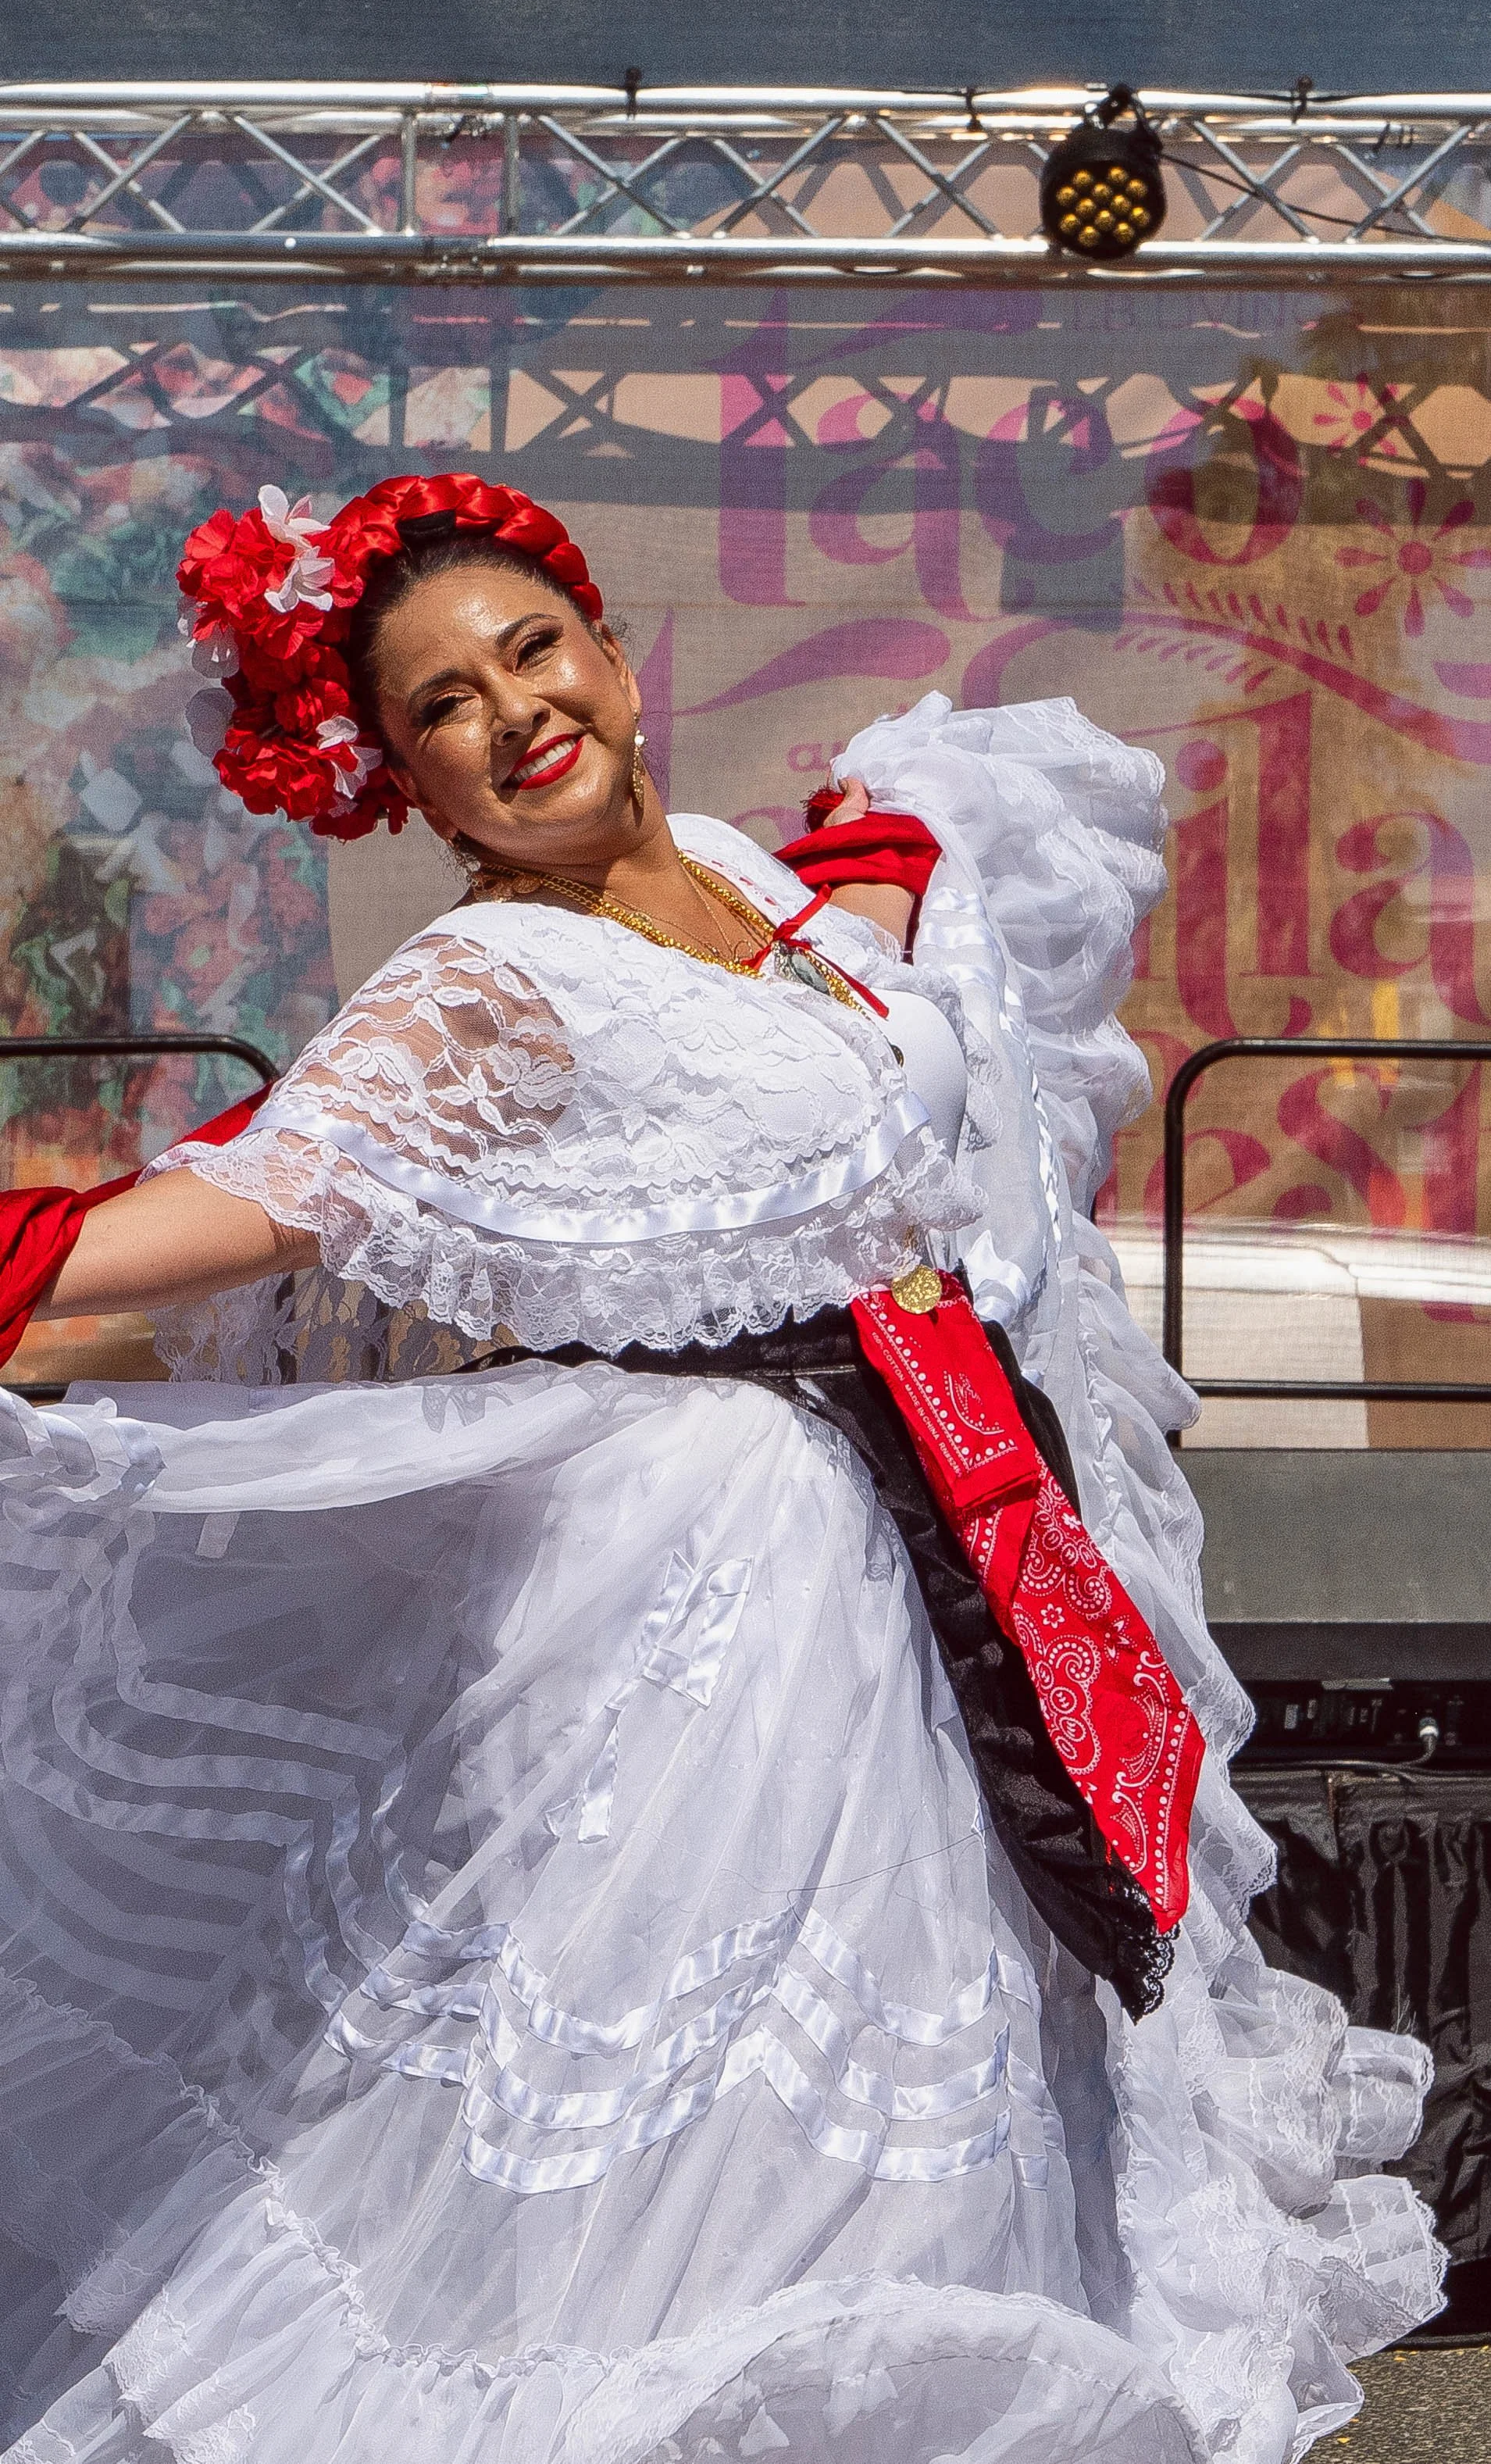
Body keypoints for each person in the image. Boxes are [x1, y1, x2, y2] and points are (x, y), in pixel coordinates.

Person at [0, 475, 1443, 2464]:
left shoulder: (765, 889)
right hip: (719, 1626)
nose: (512, 711)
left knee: (954, 2116)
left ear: (609, 651)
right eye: (443, 706)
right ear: (411, 781)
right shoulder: (481, 992)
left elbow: (904, 1035)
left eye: (531, 650)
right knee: (721, 2168)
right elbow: (232, 1216)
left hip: (941, 1590)